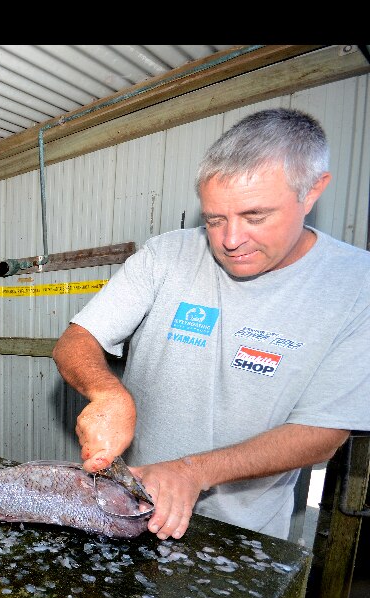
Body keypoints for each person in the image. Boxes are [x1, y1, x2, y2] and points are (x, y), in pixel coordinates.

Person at [51, 108, 370, 543]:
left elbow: (322, 433)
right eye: (215, 219)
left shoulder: (357, 286)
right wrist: (107, 391)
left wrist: (192, 471)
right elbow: (77, 340)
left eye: (255, 216)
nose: (231, 239)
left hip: (246, 535)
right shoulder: (166, 255)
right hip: (135, 506)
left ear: (313, 191)